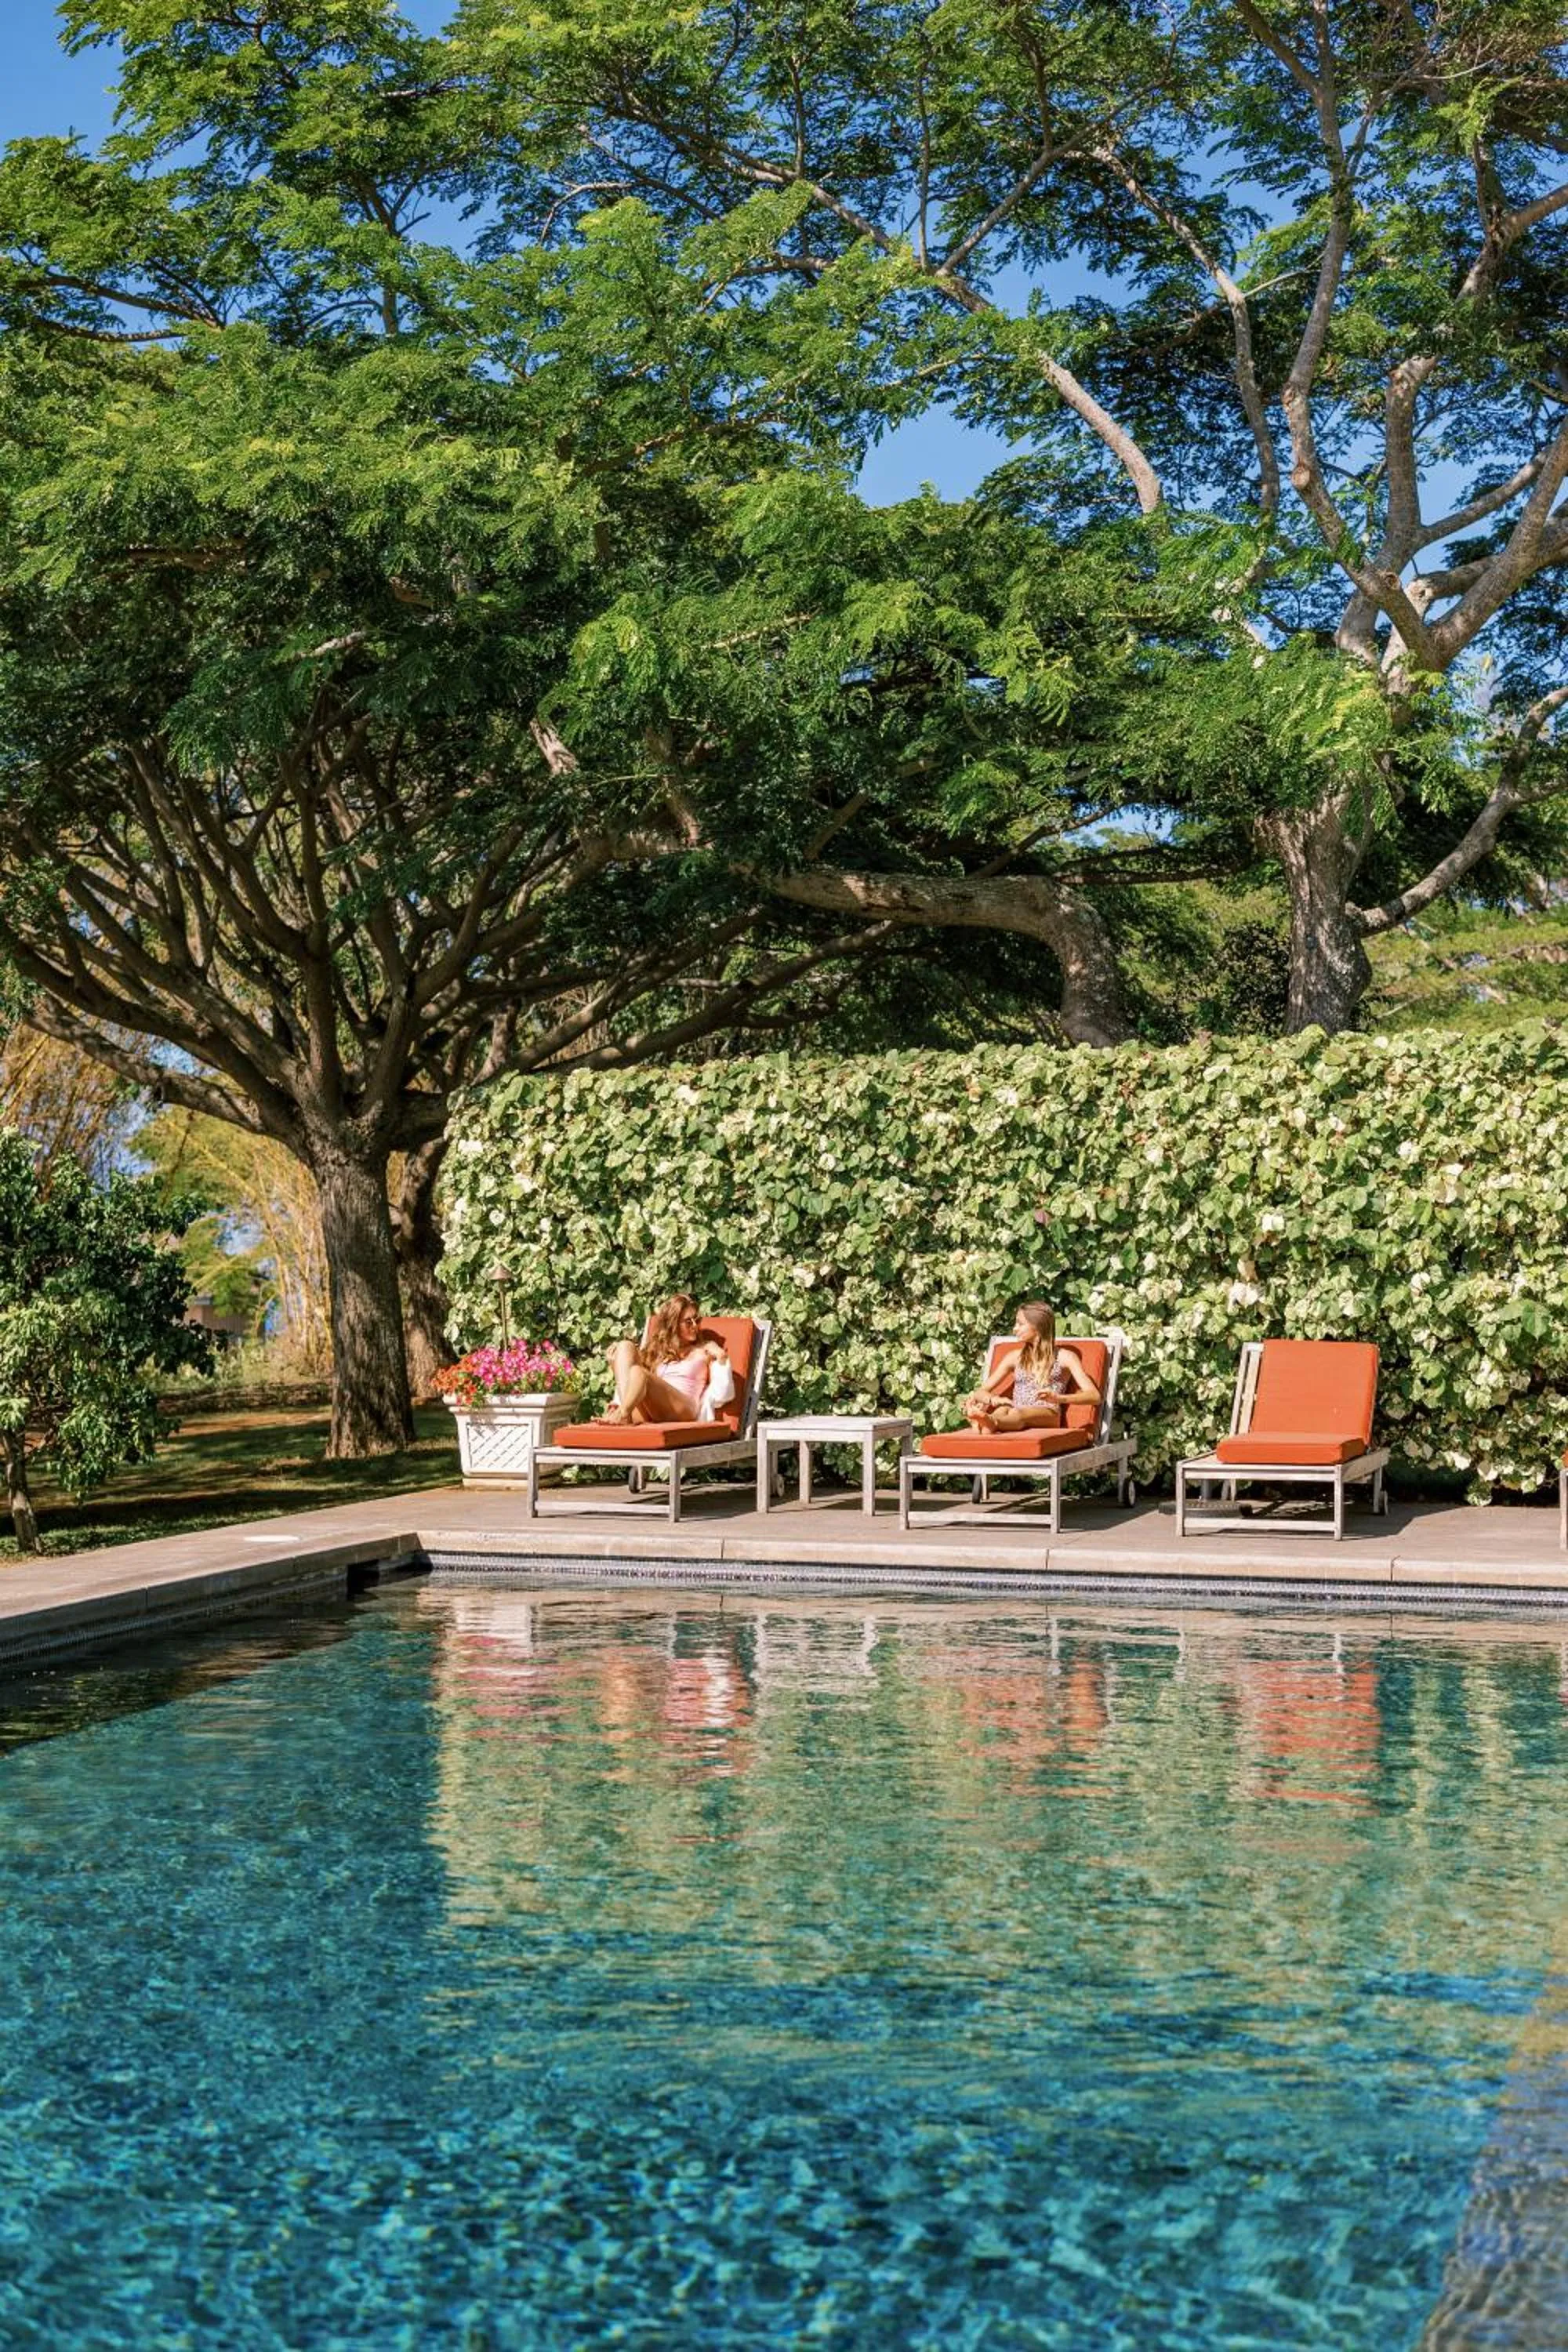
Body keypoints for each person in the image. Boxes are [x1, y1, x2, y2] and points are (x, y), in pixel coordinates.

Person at [964, 1303, 1100, 1434]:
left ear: (1038, 1327)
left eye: (1020, 1324)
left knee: (1018, 1413)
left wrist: (1059, 1398)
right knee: (1002, 1410)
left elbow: (1094, 1396)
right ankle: (985, 1424)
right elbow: (980, 1392)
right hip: (1015, 1408)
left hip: (1048, 1412)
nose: (1015, 1329)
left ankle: (989, 1422)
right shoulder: (1014, 1357)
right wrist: (994, 1400)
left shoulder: (1065, 1357)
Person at [604, 1294, 731, 1425]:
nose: (695, 1326)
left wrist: (722, 1357)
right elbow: (631, 1379)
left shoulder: (706, 1348)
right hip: (654, 1410)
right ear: (673, 1324)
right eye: (688, 1322)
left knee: (639, 1372)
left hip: (685, 1409)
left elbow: (724, 1393)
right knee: (625, 1346)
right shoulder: (658, 1351)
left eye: (697, 1320)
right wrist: (615, 1363)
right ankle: (625, 1413)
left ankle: (623, 1413)